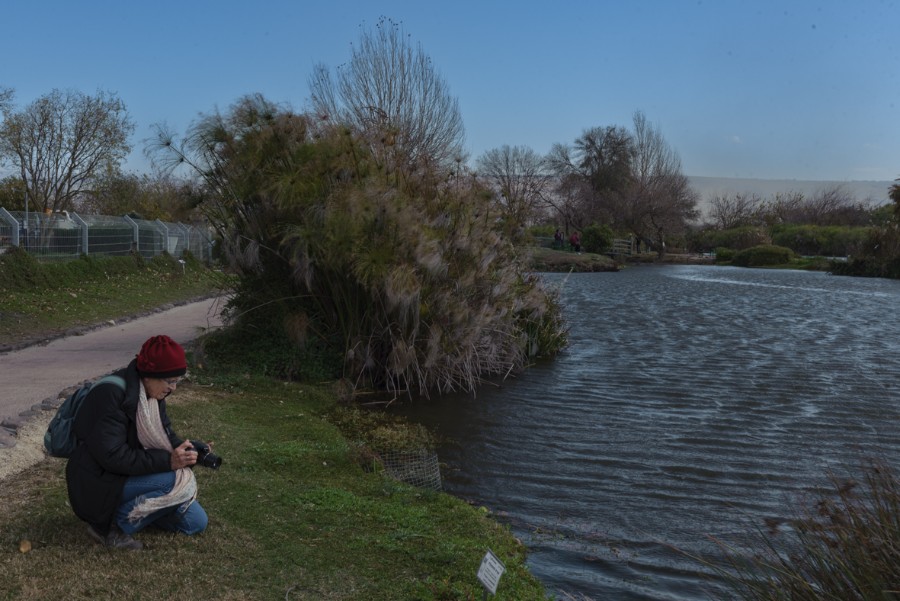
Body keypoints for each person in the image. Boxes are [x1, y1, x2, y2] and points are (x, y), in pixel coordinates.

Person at [65, 334, 209, 550]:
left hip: (126, 476)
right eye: (170, 381)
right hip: (97, 483)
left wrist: (188, 451)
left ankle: (141, 512)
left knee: (196, 522)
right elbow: (113, 456)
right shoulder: (111, 394)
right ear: (150, 375)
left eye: (177, 381)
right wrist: (169, 461)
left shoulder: (151, 395)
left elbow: (166, 436)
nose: (174, 388)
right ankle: (109, 528)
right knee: (171, 481)